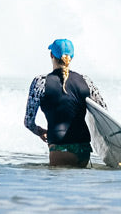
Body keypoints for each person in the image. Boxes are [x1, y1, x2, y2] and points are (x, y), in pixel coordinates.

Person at [24, 38, 107, 168]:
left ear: (51, 55)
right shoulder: (86, 81)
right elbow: (103, 111)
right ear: (71, 57)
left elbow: (28, 122)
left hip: (59, 149)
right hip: (84, 150)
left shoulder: (40, 82)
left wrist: (40, 131)